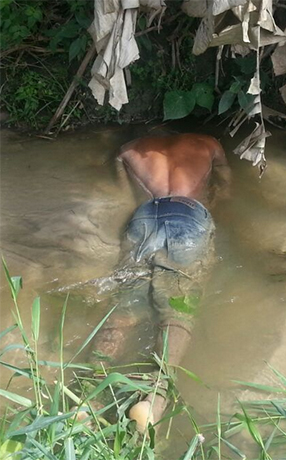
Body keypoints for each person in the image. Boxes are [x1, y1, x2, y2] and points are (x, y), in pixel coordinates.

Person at [92, 133, 230, 431]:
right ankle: (156, 394)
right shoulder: (209, 143)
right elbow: (226, 190)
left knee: (124, 307)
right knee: (178, 308)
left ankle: (89, 391)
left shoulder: (129, 149)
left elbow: (121, 197)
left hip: (143, 216)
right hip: (189, 216)